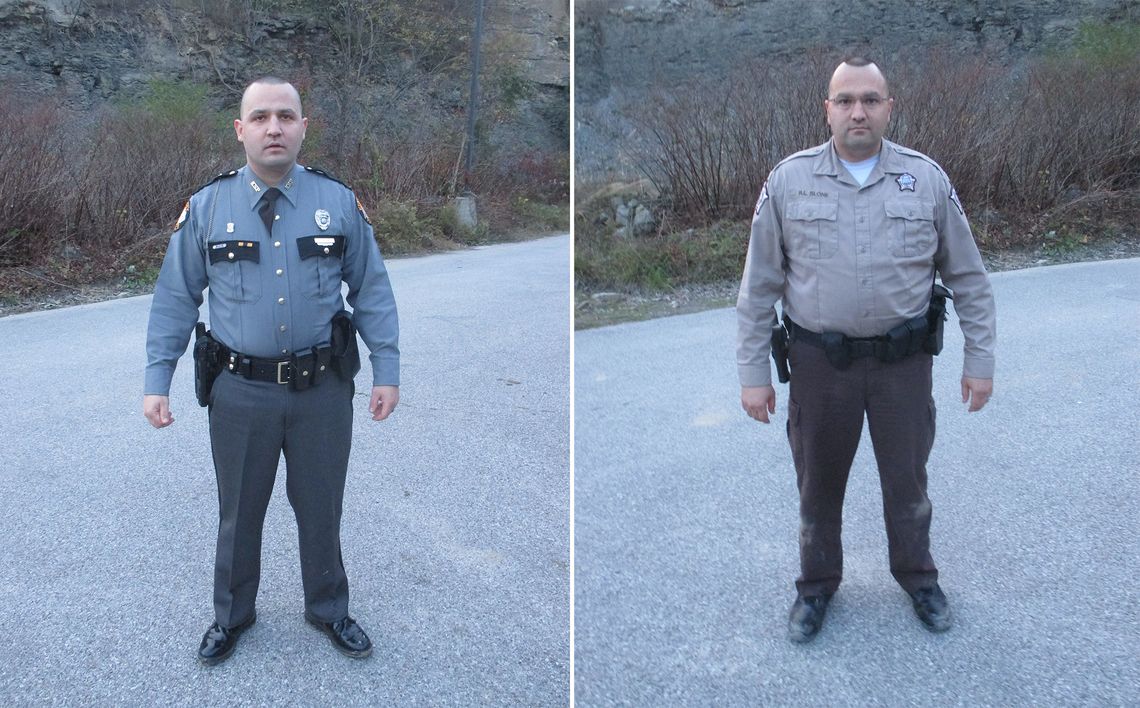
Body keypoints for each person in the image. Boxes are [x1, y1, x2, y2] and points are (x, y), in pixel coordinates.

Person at [736, 57, 996, 643]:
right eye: (846, 99)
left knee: (907, 482)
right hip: (819, 366)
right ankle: (816, 587)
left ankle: (919, 578)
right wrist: (754, 373)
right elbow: (758, 288)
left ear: (888, 107)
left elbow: (970, 278)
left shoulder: (926, 179)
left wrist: (979, 361)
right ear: (826, 108)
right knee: (818, 485)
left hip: (903, 367)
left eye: (871, 99)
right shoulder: (788, 180)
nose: (859, 111)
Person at [143, 77, 400, 665]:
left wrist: (387, 367)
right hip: (240, 392)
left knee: (321, 505)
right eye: (260, 117)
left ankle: (329, 608)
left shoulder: (337, 202)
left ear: (304, 126)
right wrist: (157, 380)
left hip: (322, 391)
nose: (274, 127)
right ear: (241, 130)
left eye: (286, 115)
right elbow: (175, 300)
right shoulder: (208, 207)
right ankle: (232, 616)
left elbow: (372, 289)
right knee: (239, 511)